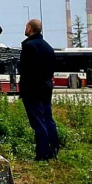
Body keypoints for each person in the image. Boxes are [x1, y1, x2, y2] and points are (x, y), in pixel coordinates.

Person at [18, 18, 59, 161]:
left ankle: (42, 154)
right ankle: (53, 151)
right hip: (46, 88)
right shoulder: (48, 47)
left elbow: (25, 70)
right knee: (48, 119)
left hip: (32, 90)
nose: (25, 28)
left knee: (38, 122)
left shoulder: (29, 46)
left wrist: (24, 88)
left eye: (26, 26)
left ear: (30, 28)